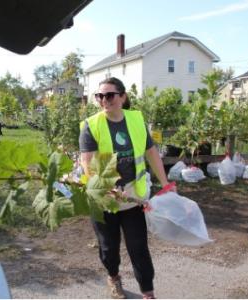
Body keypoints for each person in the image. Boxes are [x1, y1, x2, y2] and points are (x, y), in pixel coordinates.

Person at [79, 77, 176, 299]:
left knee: (139, 247)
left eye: (110, 95)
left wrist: (166, 183)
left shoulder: (136, 120)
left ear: (122, 97)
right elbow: (88, 164)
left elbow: (151, 152)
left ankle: (148, 293)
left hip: (133, 197)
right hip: (105, 199)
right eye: (100, 96)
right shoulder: (91, 126)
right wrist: (106, 189)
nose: (104, 100)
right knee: (109, 249)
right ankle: (113, 277)